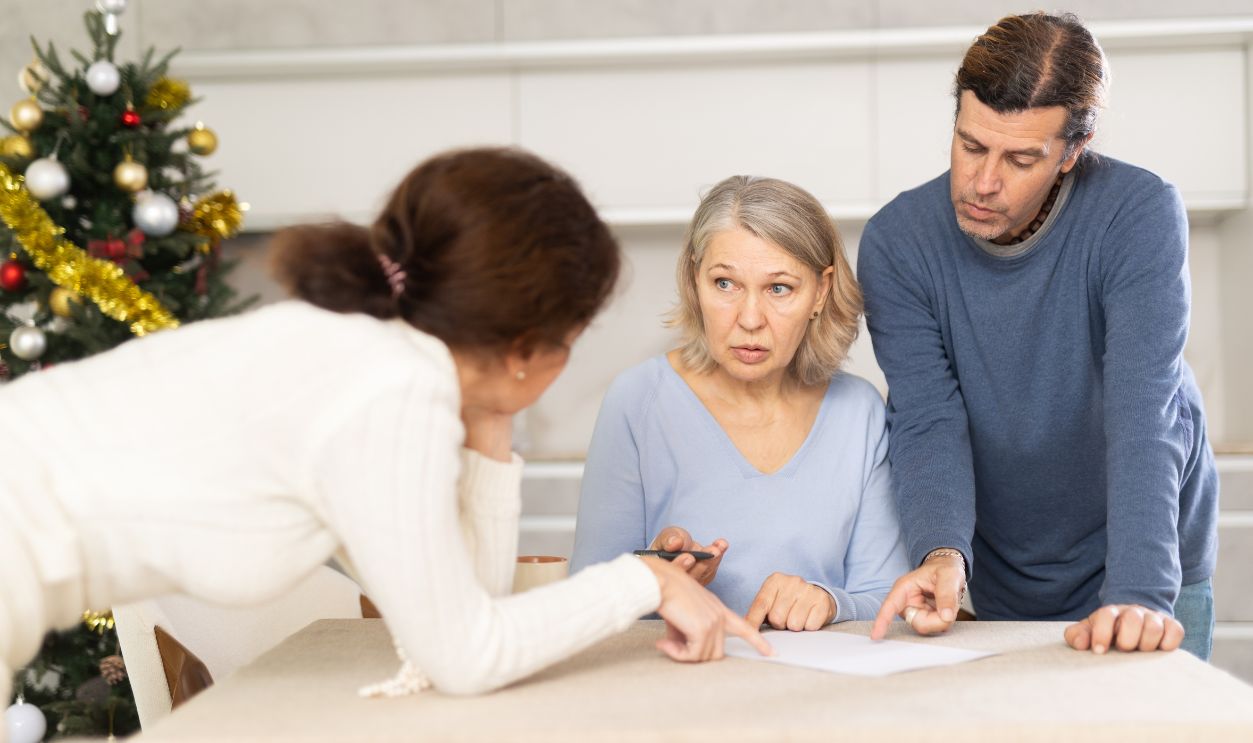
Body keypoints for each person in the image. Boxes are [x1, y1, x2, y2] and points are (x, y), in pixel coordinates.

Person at [0, 147, 771, 712]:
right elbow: (467, 654)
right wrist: (644, 577)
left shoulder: (380, 360)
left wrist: (492, 421)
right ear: (524, 344)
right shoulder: (385, 390)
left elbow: (458, 608)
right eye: (574, 334)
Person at [859, 12, 1218, 659]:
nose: (982, 182)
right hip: (1003, 563)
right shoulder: (896, 243)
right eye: (970, 145)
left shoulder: (1138, 214)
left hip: (1146, 550)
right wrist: (941, 552)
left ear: (1071, 153)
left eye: (1020, 158)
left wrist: (1139, 591)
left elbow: (1144, 407)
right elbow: (926, 418)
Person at [572, 175, 909, 631]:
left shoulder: (859, 412)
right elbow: (588, 597)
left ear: (821, 291)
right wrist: (659, 580)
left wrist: (828, 602)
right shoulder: (638, 402)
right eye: (725, 284)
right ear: (695, 280)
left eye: (779, 289)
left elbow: (885, 595)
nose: (749, 320)